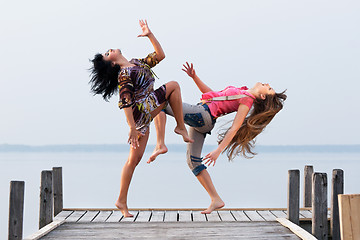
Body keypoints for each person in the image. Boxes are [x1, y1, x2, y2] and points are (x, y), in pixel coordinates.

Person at [149, 62, 287, 214]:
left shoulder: (247, 100)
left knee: (161, 101)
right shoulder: (242, 91)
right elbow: (212, 95)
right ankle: (216, 199)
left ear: (262, 96)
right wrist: (194, 77)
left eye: (269, 88)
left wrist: (218, 150)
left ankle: (161, 144)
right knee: (193, 162)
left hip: (202, 115)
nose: (267, 83)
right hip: (203, 119)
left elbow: (235, 128)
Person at [89, 20, 193, 217]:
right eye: (106, 53)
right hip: (141, 110)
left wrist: (150, 35)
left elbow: (160, 55)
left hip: (144, 114)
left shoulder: (137, 63)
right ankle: (180, 127)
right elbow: (125, 102)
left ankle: (121, 200)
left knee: (133, 160)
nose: (109, 50)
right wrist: (131, 127)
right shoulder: (125, 74)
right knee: (173, 86)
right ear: (112, 62)